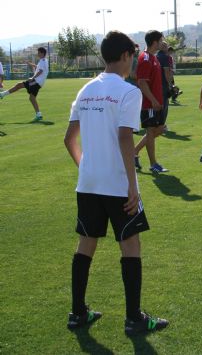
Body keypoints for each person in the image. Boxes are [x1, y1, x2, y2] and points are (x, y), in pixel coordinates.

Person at [63, 30, 169, 335]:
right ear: (125, 56)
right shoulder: (128, 91)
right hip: (117, 185)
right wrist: (132, 186)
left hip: (88, 183)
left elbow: (69, 139)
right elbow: (125, 137)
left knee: (86, 243)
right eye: (132, 56)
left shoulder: (85, 90)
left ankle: (78, 313)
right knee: (130, 244)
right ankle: (134, 318)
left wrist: (86, 167)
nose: (133, 62)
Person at [133, 30, 168, 173]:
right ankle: (154, 164)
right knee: (151, 131)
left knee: (158, 130)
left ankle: (134, 152)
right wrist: (153, 100)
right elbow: (141, 82)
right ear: (155, 42)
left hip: (156, 103)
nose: (162, 43)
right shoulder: (145, 58)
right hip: (149, 104)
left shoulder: (153, 58)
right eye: (161, 40)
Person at [0, 47, 49, 121]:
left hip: (36, 81)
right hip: (38, 82)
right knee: (31, 98)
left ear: (42, 53)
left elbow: (40, 71)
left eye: (38, 52)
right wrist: (30, 64)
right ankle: (39, 115)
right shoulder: (44, 61)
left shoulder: (42, 61)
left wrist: (32, 78)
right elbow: (38, 68)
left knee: (19, 85)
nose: (37, 54)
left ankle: (2, 94)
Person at [156, 41, 173, 131]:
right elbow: (166, 72)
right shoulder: (165, 57)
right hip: (163, 85)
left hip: (155, 85)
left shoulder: (155, 56)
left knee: (157, 105)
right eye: (166, 46)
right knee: (164, 105)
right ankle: (161, 126)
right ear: (164, 48)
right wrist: (170, 85)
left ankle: (157, 124)